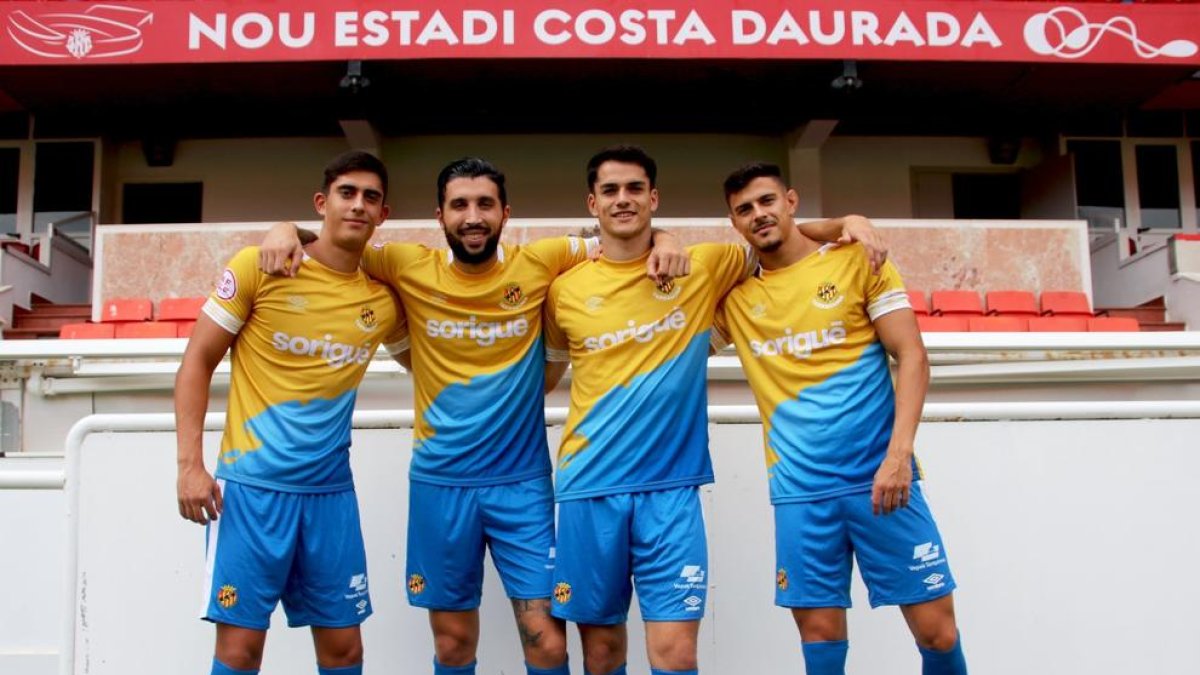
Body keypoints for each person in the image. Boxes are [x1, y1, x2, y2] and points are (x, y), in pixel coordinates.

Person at [257, 157, 691, 675]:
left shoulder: (542, 261)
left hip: (522, 486)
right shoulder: (403, 264)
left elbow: (624, 230)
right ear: (439, 216)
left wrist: (669, 239)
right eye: (459, 205)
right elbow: (341, 236)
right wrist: (285, 228)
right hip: (440, 485)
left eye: (485, 204)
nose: (473, 216)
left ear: (505, 213)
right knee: (454, 645)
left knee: (548, 643)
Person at [541, 146, 885, 675]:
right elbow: (547, 375)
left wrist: (847, 221)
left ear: (654, 198)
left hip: (673, 490)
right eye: (610, 191)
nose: (623, 199)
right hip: (590, 486)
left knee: (677, 655)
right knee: (602, 653)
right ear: (593, 203)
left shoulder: (706, 265)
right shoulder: (564, 289)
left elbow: (776, 237)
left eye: (635, 189)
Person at [712, 162, 967, 675]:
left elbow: (912, 356)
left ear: (791, 200)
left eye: (767, 201)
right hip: (800, 491)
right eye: (744, 210)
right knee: (821, 636)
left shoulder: (856, 261)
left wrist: (898, 457)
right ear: (735, 224)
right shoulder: (734, 299)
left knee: (938, 632)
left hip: (883, 481)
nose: (758, 214)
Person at [175, 150, 408, 675]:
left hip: (330, 497)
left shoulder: (383, 301)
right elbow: (197, 362)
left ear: (383, 213)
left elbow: (431, 356)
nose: (358, 205)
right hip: (251, 491)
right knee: (239, 652)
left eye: (371, 197)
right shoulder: (261, 266)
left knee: (345, 651)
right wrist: (189, 465)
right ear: (322, 203)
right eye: (347, 193)